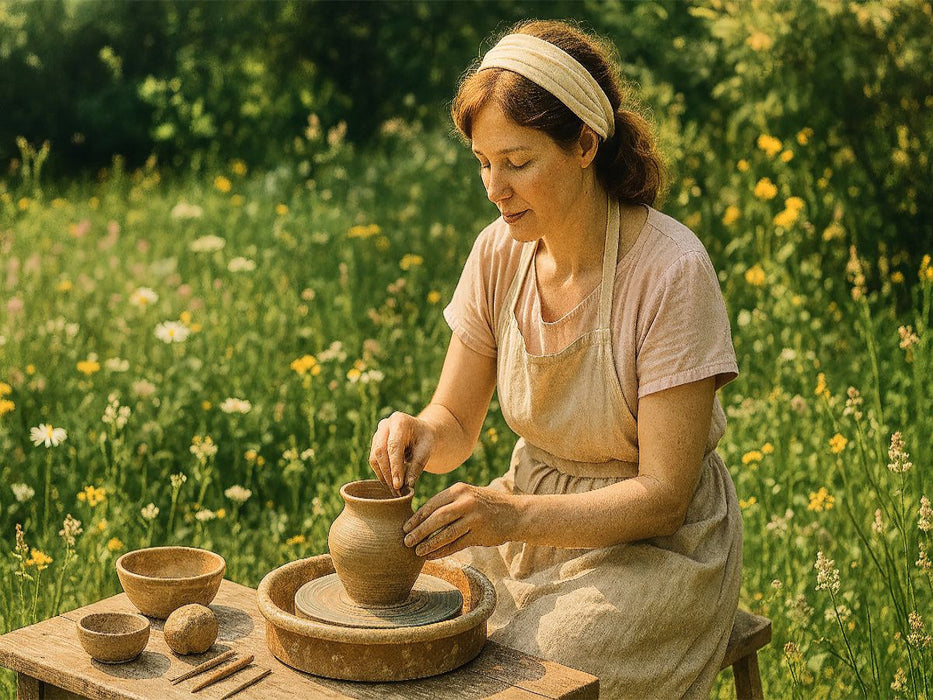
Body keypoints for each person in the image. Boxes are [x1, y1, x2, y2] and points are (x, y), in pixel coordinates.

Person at [368, 19, 742, 699]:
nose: (493, 188)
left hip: (657, 554)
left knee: (519, 676)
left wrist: (509, 516)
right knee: (406, 619)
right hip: (531, 518)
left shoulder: (669, 270)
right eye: (483, 162)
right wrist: (419, 433)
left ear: (583, 145)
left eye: (516, 162)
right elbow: (454, 419)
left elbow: (662, 498)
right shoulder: (497, 253)